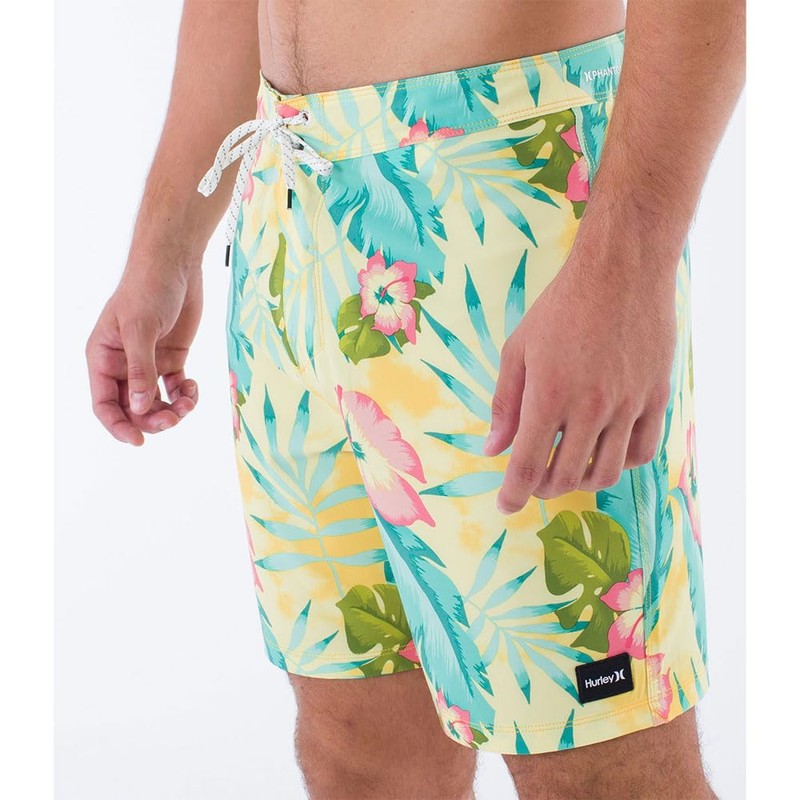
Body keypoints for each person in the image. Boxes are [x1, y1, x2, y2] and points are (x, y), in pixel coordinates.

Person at [85, 1, 744, 797]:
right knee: (358, 755)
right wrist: (165, 244)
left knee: (601, 765)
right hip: (286, 197)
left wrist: (627, 267)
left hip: (504, 188)